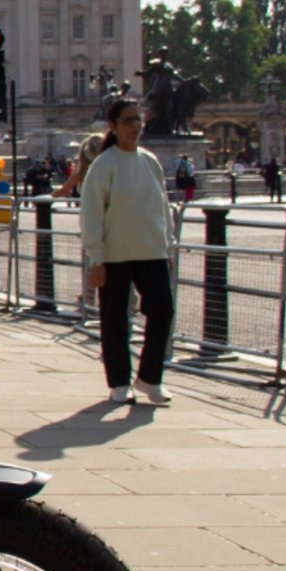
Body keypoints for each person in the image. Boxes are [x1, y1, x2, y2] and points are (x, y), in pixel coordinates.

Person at [81, 98, 177, 407]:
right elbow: (92, 213)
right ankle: (119, 381)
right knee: (115, 319)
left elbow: (162, 205)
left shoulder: (149, 161)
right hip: (115, 254)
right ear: (113, 126)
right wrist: (95, 257)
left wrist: (168, 243)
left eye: (138, 120)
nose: (135, 126)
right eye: (128, 121)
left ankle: (149, 378)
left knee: (162, 311)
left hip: (151, 250)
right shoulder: (104, 165)